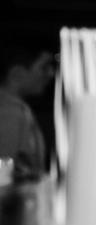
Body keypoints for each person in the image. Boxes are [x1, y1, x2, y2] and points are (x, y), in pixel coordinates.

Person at [0, 43, 54, 181]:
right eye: (43, 67)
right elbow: (4, 171)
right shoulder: (11, 112)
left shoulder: (15, 109)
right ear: (17, 74)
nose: (50, 73)